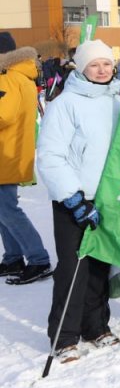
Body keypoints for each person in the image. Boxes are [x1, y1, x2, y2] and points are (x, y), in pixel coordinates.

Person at [36, 40, 120, 363]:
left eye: (106, 64)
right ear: (82, 68)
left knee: (100, 266)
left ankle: (96, 326)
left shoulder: (118, 102)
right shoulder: (66, 103)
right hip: (74, 199)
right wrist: (73, 198)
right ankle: (64, 336)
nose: (101, 70)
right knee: (74, 267)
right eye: (94, 65)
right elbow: (50, 156)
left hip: (106, 198)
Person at [0, 32, 51, 285]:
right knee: (3, 208)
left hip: (5, 153)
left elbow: (3, 116)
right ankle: (12, 257)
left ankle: (38, 258)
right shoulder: (20, 75)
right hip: (10, 151)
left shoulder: (7, 77)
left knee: (7, 209)